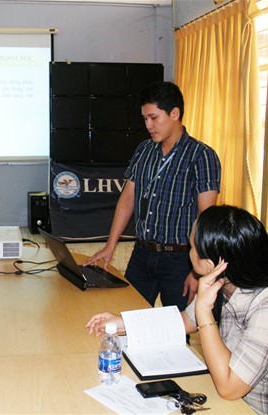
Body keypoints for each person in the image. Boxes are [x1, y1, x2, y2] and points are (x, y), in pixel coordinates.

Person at [86, 205, 268, 415]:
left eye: (192, 247)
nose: (189, 251)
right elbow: (185, 321)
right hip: (237, 403)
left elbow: (228, 387)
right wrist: (123, 323)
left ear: (209, 265)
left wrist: (205, 312)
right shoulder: (225, 282)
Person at [85, 81, 221, 311]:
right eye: (145, 118)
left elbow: (206, 219)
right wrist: (110, 245)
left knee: (177, 326)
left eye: (154, 117)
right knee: (129, 316)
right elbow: (127, 200)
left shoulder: (202, 156)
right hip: (142, 253)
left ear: (174, 113)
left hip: (180, 260)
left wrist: (197, 272)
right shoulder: (144, 150)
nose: (148, 125)